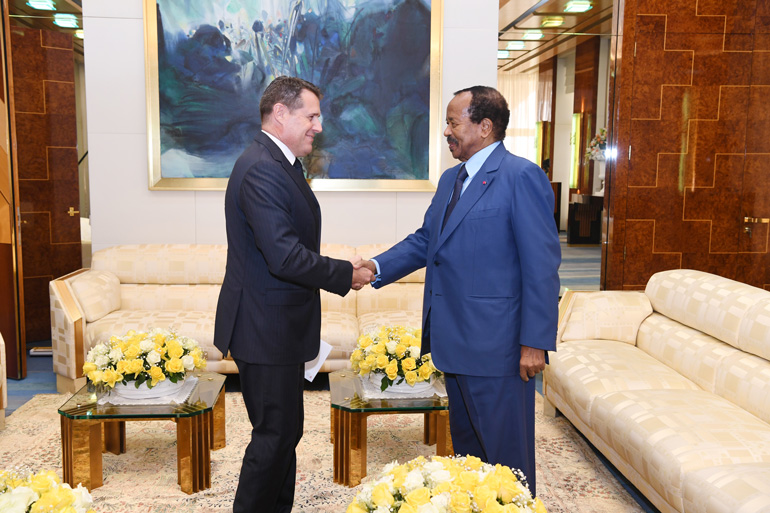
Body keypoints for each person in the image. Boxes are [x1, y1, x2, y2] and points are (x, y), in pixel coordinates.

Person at [360, 85, 560, 495]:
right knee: (469, 459)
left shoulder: (521, 176)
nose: (447, 132)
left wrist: (534, 343)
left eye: (453, 122)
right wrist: (375, 267)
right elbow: (425, 241)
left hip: (498, 348)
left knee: (508, 463)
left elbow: (541, 268)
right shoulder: (452, 178)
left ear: (485, 127)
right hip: (454, 344)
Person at [213, 76, 373, 513]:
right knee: (274, 436)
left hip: (276, 325)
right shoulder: (262, 167)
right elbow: (284, 257)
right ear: (280, 114)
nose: (318, 126)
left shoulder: (278, 162)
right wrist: (346, 274)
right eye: (312, 116)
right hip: (264, 327)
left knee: (285, 433)